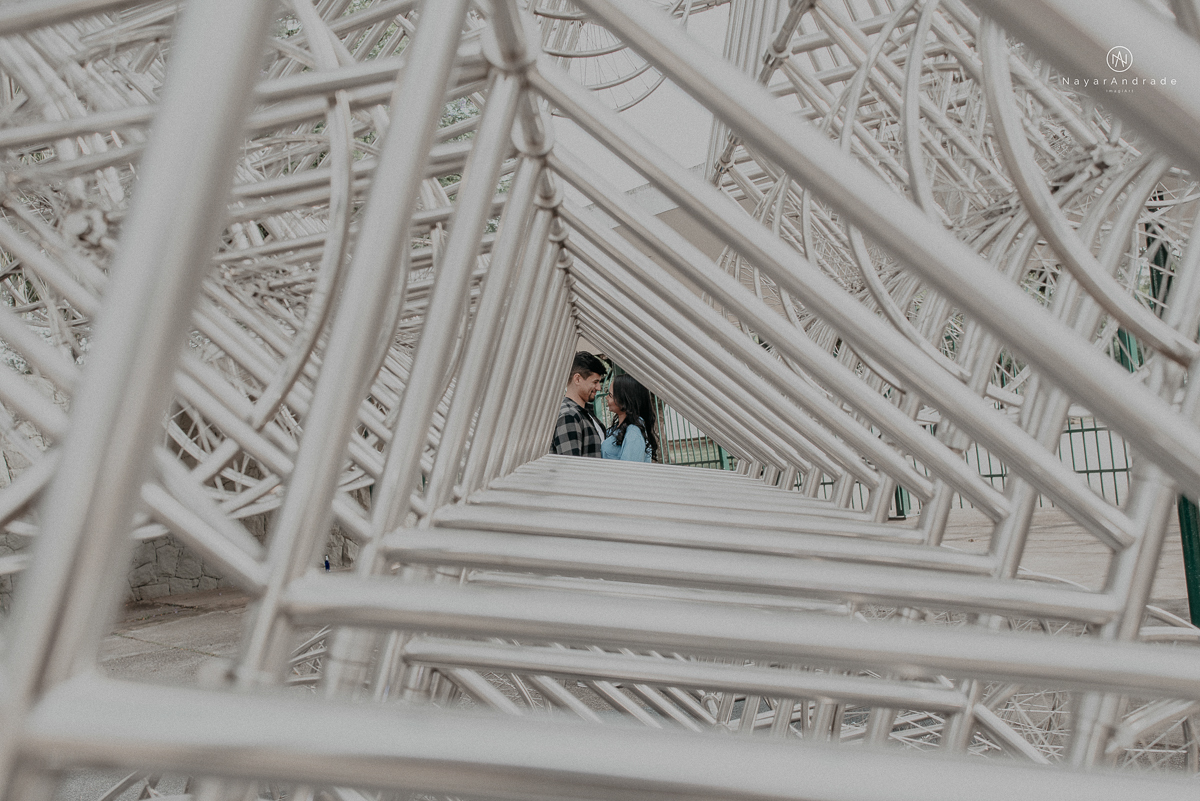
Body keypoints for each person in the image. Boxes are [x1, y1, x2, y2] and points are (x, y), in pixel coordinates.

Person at [550, 351, 608, 457]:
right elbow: (570, 468)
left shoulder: (584, 413)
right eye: (595, 382)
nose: (599, 388)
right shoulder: (568, 415)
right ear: (577, 379)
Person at [602, 374, 660, 463]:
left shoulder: (633, 432)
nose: (606, 398)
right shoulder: (619, 428)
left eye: (610, 395)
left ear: (624, 399)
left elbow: (629, 472)